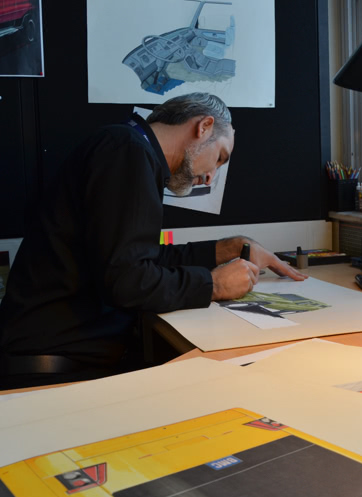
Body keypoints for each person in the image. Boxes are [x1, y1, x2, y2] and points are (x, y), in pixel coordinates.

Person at [0, 92, 306, 389]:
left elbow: (136, 260)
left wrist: (224, 249)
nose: (211, 176)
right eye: (220, 157)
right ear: (204, 127)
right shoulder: (126, 151)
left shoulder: (128, 146)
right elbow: (128, 281)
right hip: (55, 373)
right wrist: (214, 285)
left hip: (65, 358)